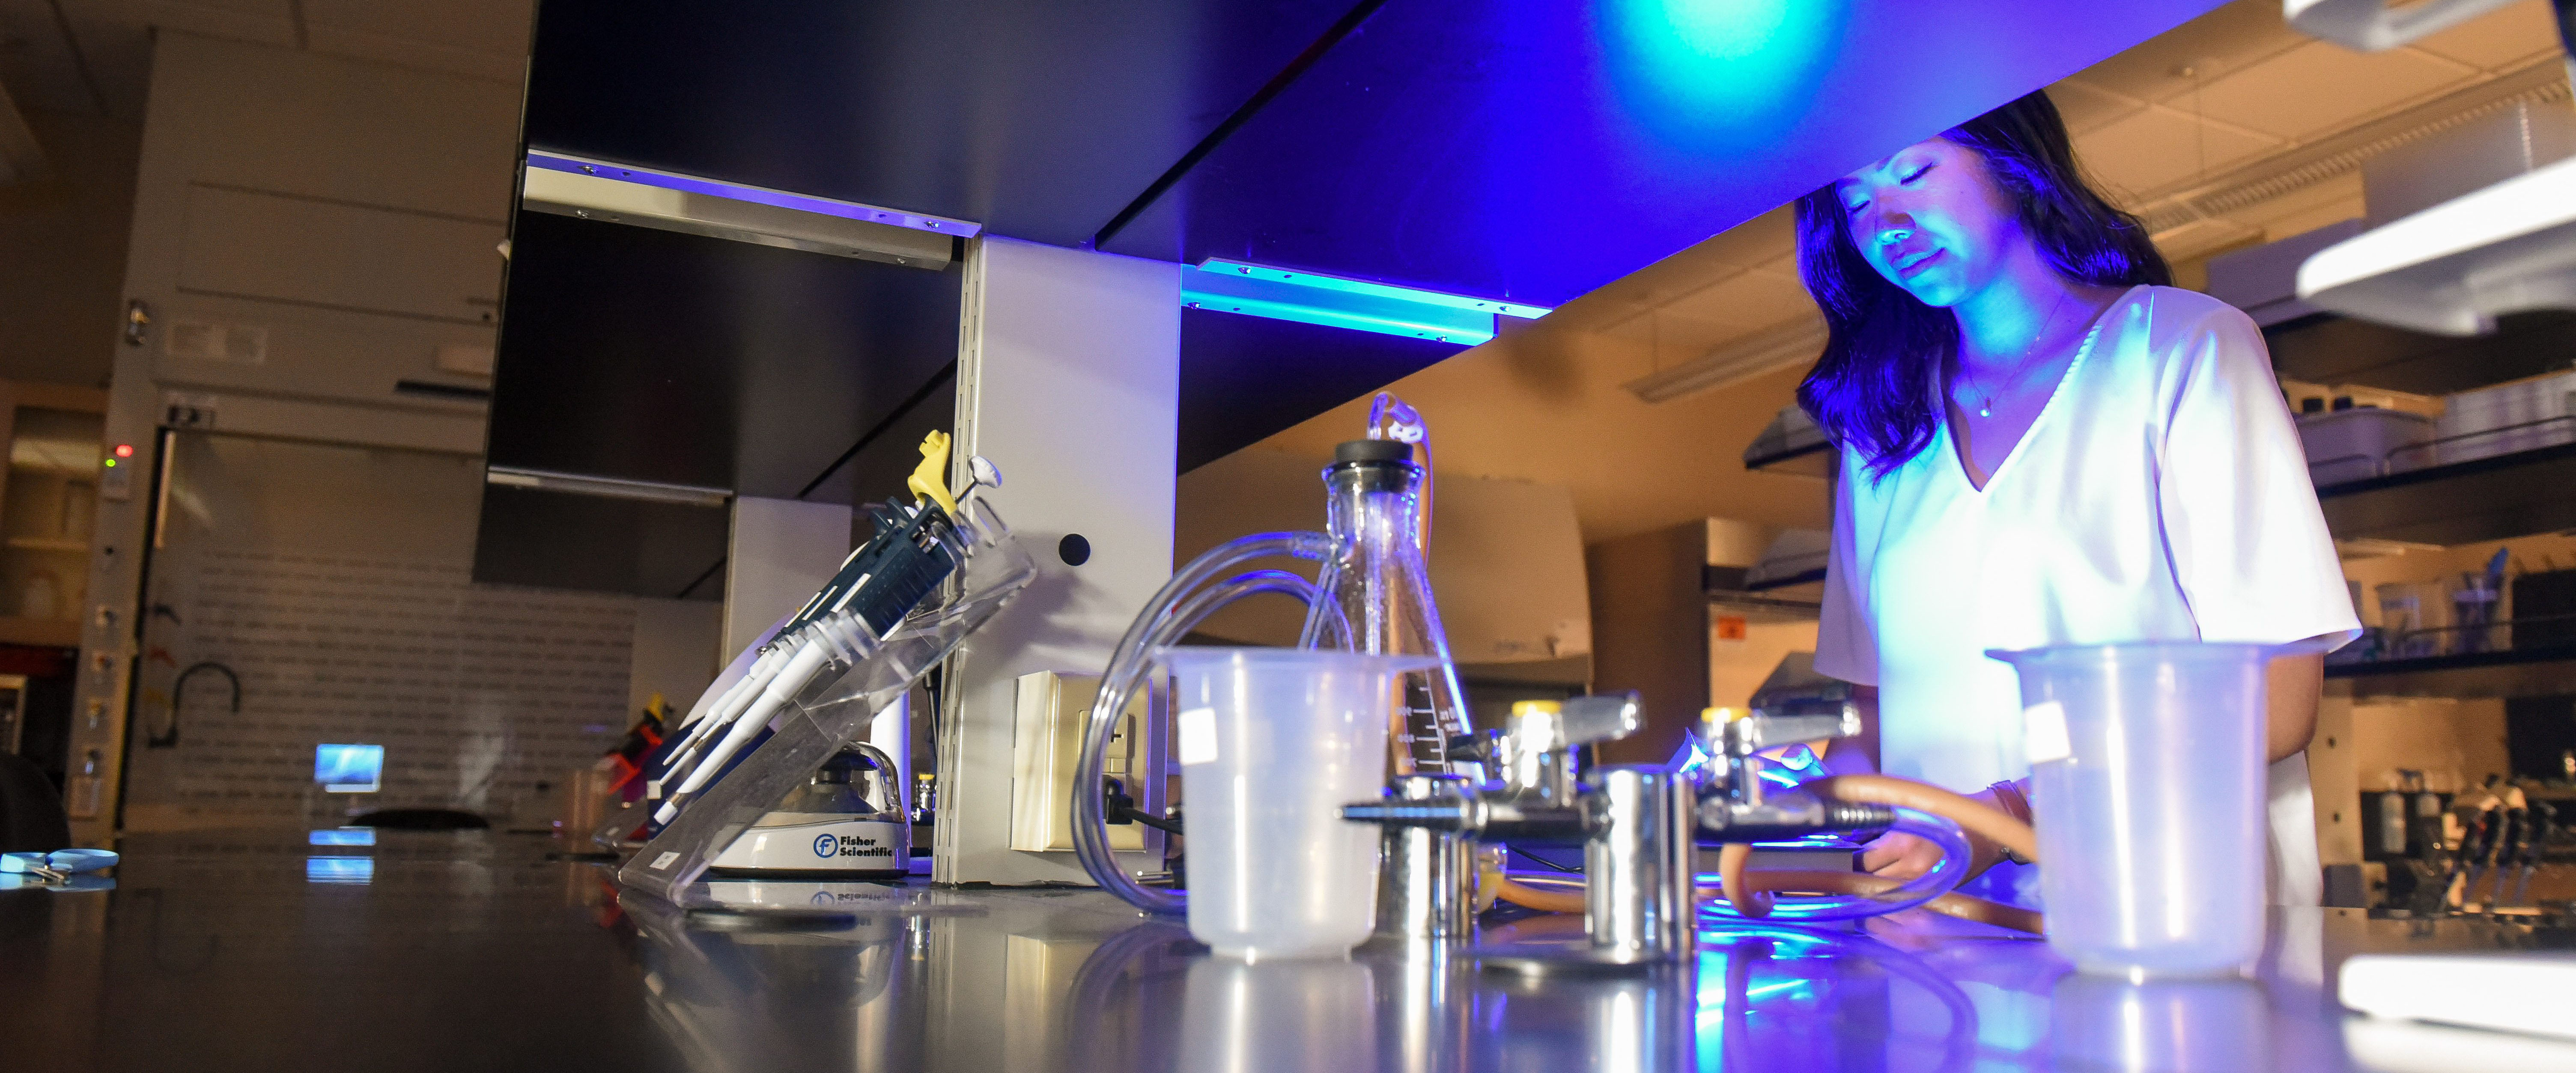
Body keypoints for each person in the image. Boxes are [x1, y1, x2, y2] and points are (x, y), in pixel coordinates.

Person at [1795, 90, 2360, 908]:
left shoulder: (2182, 350)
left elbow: (2277, 701)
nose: (1886, 224)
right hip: (1943, 939)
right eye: (1856, 205)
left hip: (2170, 923)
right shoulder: (1884, 429)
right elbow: (1874, 727)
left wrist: (2011, 813)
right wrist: (1796, 801)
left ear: (2011, 159)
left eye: (1912, 173)